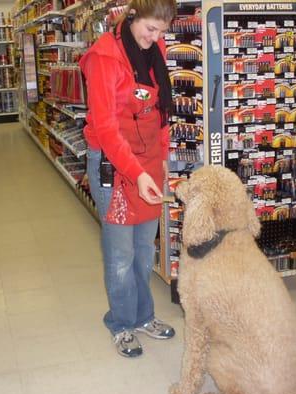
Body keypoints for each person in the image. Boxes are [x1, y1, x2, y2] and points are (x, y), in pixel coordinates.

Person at [79, 0, 177, 357]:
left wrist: (162, 157)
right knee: (120, 254)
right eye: (150, 29)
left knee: (143, 248)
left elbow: (163, 108)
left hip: (148, 161)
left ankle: (143, 316)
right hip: (114, 168)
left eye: (162, 32)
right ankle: (121, 323)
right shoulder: (103, 57)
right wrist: (136, 174)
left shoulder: (155, 47)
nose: (155, 38)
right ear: (132, 16)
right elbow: (105, 128)